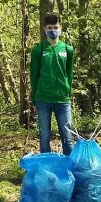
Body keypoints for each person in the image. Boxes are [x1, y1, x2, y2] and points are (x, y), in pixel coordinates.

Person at [30, 13, 75, 155]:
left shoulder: (68, 49)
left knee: (68, 136)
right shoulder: (39, 50)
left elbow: (69, 73)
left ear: (60, 28)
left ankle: (70, 167)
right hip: (43, 99)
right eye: (50, 28)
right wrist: (34, 100)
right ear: (44, 29)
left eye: (56, 27)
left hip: (63, 100)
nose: (53, 30)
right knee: (44, 136)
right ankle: (45, 167)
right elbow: (34, 75)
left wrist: (68, 92)